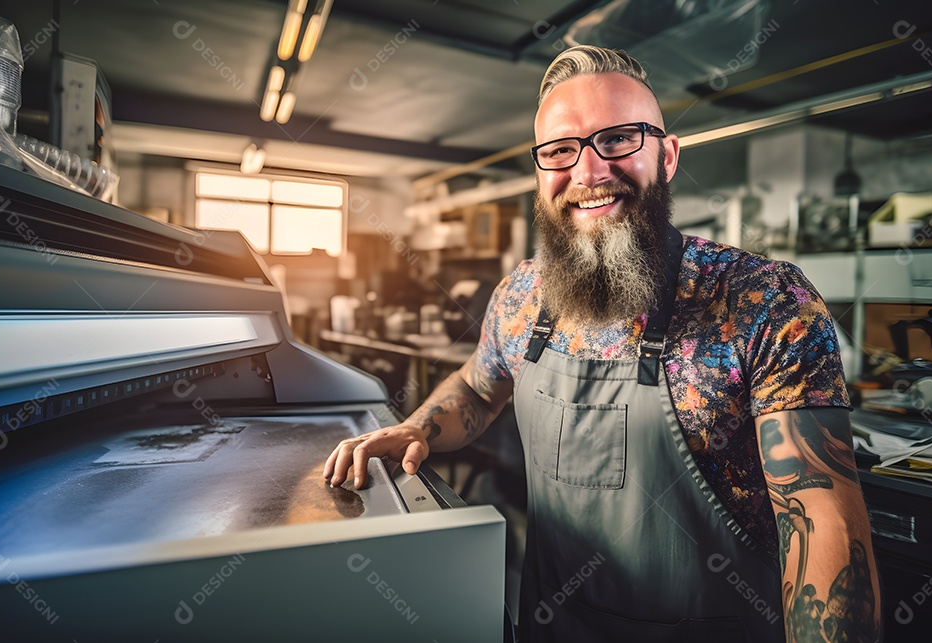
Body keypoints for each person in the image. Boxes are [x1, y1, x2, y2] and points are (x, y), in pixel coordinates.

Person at [324, 45, 882, 642]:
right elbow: (478, 387)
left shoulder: (765, 302)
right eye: (561, 150)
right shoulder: (520, 296)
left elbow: (822, 519)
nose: (589, 172)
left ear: (666, 157)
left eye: (618, 139)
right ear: (541, 173)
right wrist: (419, 429)